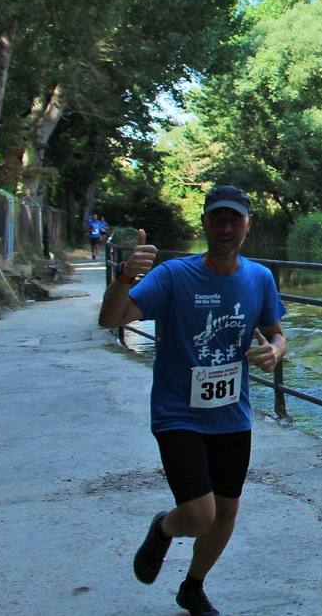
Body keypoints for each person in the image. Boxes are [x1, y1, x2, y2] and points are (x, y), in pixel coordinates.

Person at [98, 185, 286, 616]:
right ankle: (164, 528)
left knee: (225, 514)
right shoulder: (173, 276)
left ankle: (193, 587)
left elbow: (276, 332)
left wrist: (275, 350)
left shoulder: (259, 278)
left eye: (234, 219)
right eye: (217, 218)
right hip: (178, 414)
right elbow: (111, 319)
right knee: (199, 514)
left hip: (232, 415)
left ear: (247, 225)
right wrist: (125, 277)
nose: (225, 227)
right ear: (203, 222)